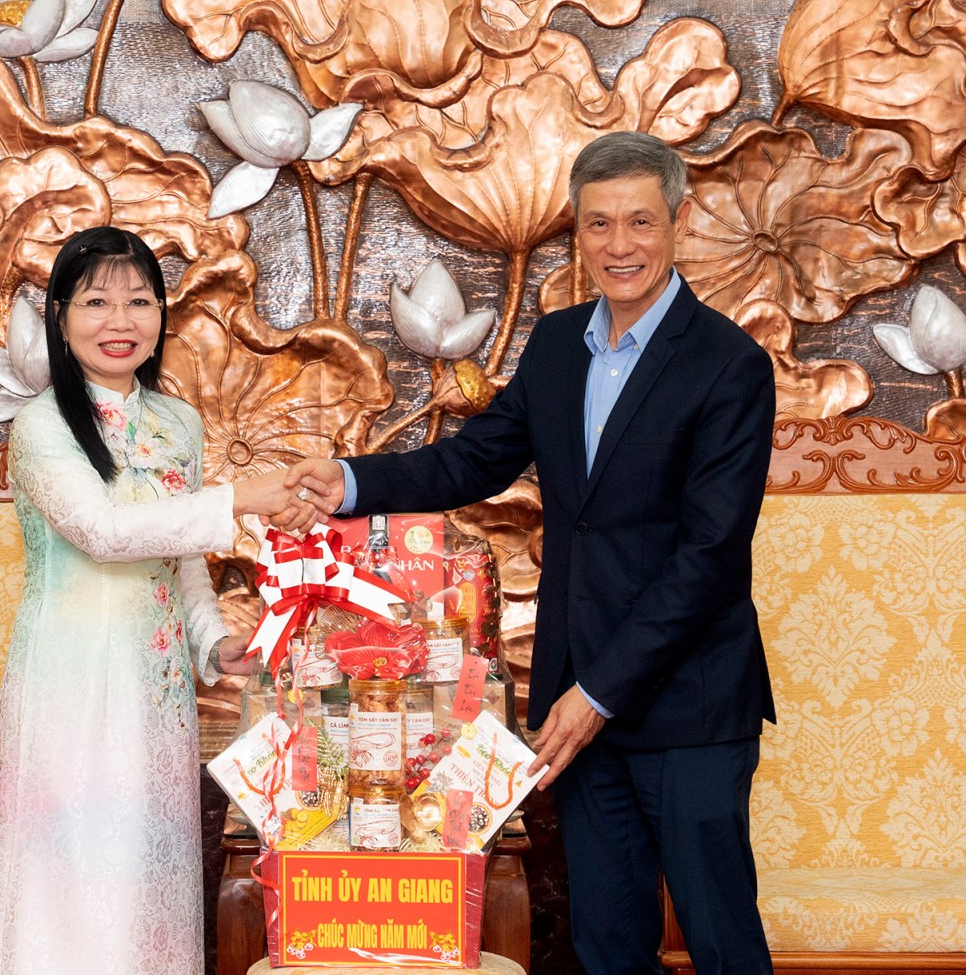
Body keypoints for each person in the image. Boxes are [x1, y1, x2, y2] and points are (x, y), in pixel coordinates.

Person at [282, 132, 777, 975]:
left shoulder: (729, 365)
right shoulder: (556, 344)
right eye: (598, 224)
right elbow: (473, 460)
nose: (619, 245)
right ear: (576, 233)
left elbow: (709, 555)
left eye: (640, 222)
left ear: (680, 220)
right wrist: (350, 480)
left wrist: (598, 694)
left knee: (723, 943)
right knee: (606, 947)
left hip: (687, 706)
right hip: (575, 702)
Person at [0, 226, 319, 974]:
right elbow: (103, 533)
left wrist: (211, 640)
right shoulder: (42, 426)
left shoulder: (178, 423)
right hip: (70, 686)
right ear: (61, 316)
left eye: (139, 301)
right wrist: (239, 498)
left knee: (145, 890)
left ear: (162, 315)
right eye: (96, 302)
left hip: (157, 694)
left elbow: (178, 555)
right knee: (71, 886)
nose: (120, 320)